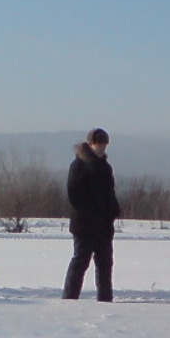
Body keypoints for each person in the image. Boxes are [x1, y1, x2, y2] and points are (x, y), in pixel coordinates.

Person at [62, 127, 121, 302]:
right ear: (90, 144)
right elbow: (74, 195)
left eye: (104, 145)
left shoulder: (106, 167)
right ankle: (70, 299)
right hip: (84, 226)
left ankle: (105, 300)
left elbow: (110, 193)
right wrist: (91, 213)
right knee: (80, 262)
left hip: (104, 226)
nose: (101, 148)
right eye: (98, 144)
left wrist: (113, 211)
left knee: (105, 264)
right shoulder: (79, 165)